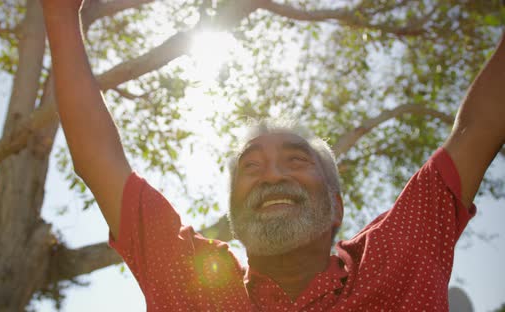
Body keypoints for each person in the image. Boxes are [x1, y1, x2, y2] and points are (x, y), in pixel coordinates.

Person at [41, 0, 505, 310]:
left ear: (337, 207)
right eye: (250, 166)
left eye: (297, 160)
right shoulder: (192, 285)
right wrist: (61, 17)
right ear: (234, 217)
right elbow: (99, 159)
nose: (271, 175)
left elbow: (478, 128)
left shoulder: (400, 255)